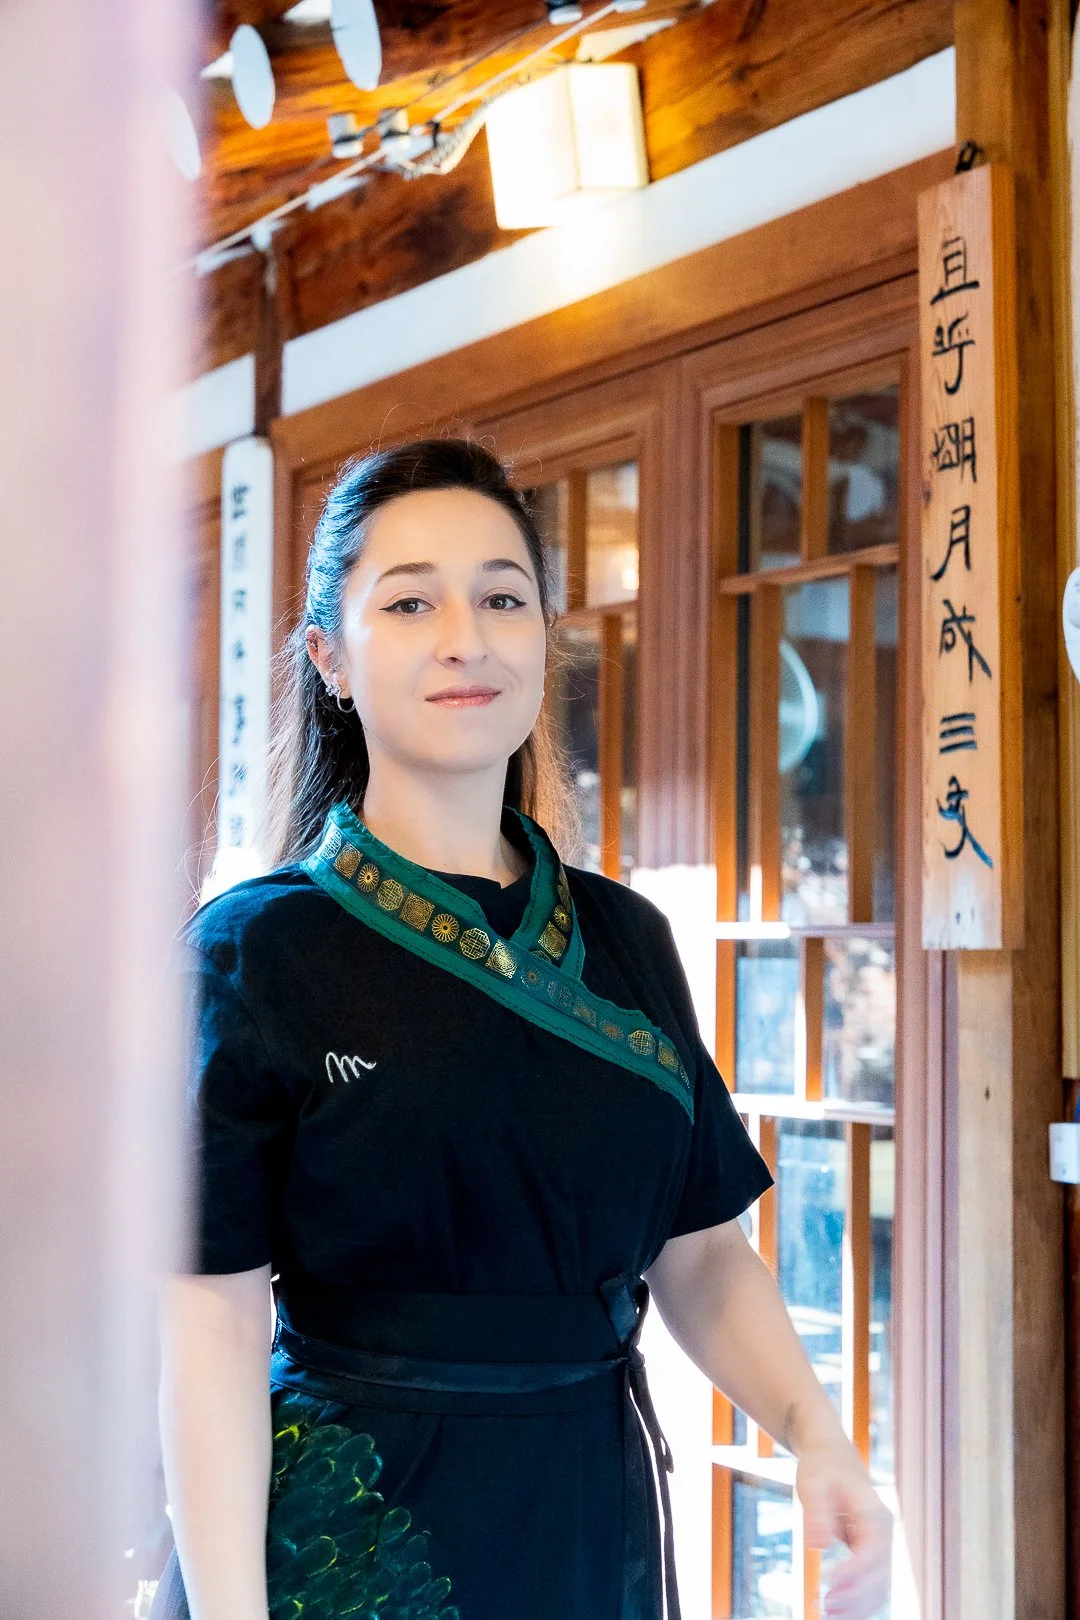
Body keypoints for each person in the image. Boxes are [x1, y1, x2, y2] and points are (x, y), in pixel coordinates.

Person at [151, 437, 893, 1620]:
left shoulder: (627, 940)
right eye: (410, 601)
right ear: (331, 658)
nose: (466, 635)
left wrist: (816, 1433)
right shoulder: (254, 950)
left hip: (586, 1515)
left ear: (545, 640)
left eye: (504, 596)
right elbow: (211, 1317)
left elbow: (697, 1252)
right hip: (344, 1536)